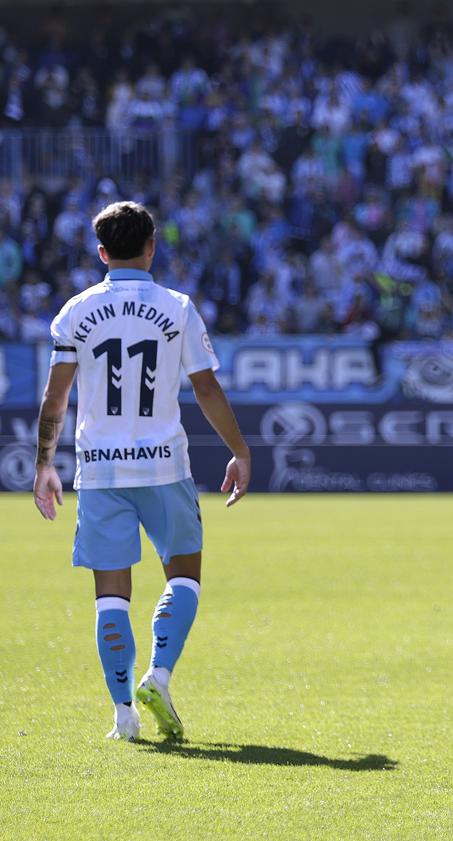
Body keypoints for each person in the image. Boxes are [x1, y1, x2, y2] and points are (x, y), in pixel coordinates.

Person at [32, 201, 250, 741]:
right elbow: (205, 389)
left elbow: (55, 397)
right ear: (152, 246)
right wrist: (240, 451)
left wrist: (44, 464)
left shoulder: (75, 312)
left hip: (100, 471)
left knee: (111, 595)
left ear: (102, 253)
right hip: (163, 466)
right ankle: (160, 673)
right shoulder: (176, 307)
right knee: (184, 575)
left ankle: (123, 714)